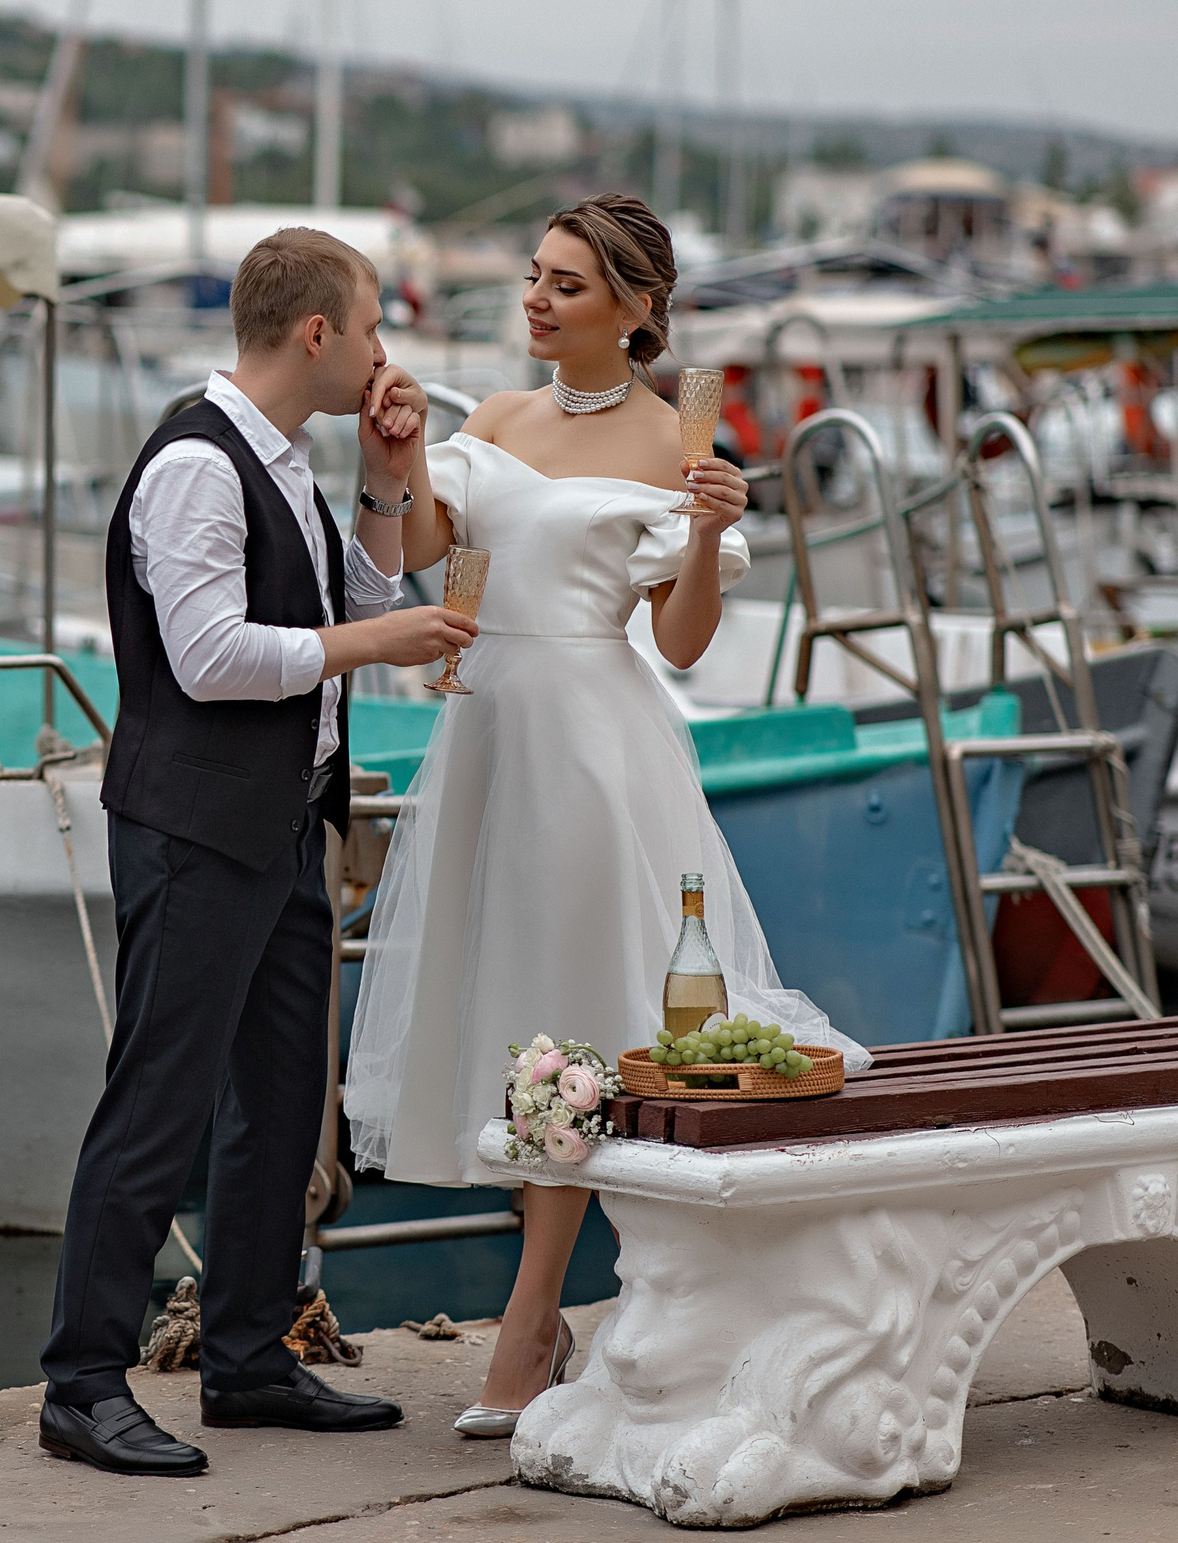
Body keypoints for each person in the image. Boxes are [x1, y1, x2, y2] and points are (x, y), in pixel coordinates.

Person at [341, 193, 866, 1439]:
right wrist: (401, 459)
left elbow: (679, 642)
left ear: (634, 312)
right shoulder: (501, 419)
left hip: (591, 742)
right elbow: (434, 562)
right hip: (488, 735)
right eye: (533, 274)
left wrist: (706, 534)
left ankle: (528, 1330)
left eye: (565, 285)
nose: (534, 298)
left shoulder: (671, 442)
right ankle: (574, 1317)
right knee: (507, 1003)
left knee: (569, 1009)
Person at [38, 228, 478, 1477]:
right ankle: (80, 1382)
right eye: (376, 327)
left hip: (287, 817)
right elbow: (212, 657)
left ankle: (244, 1357)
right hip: (192, 823)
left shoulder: (282, 457)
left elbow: (362, 591)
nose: (390, 353)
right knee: (160, 1100)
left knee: (283, 1101)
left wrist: (387, 473)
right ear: (316, 335)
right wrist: (368, 655)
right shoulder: (195, 459)